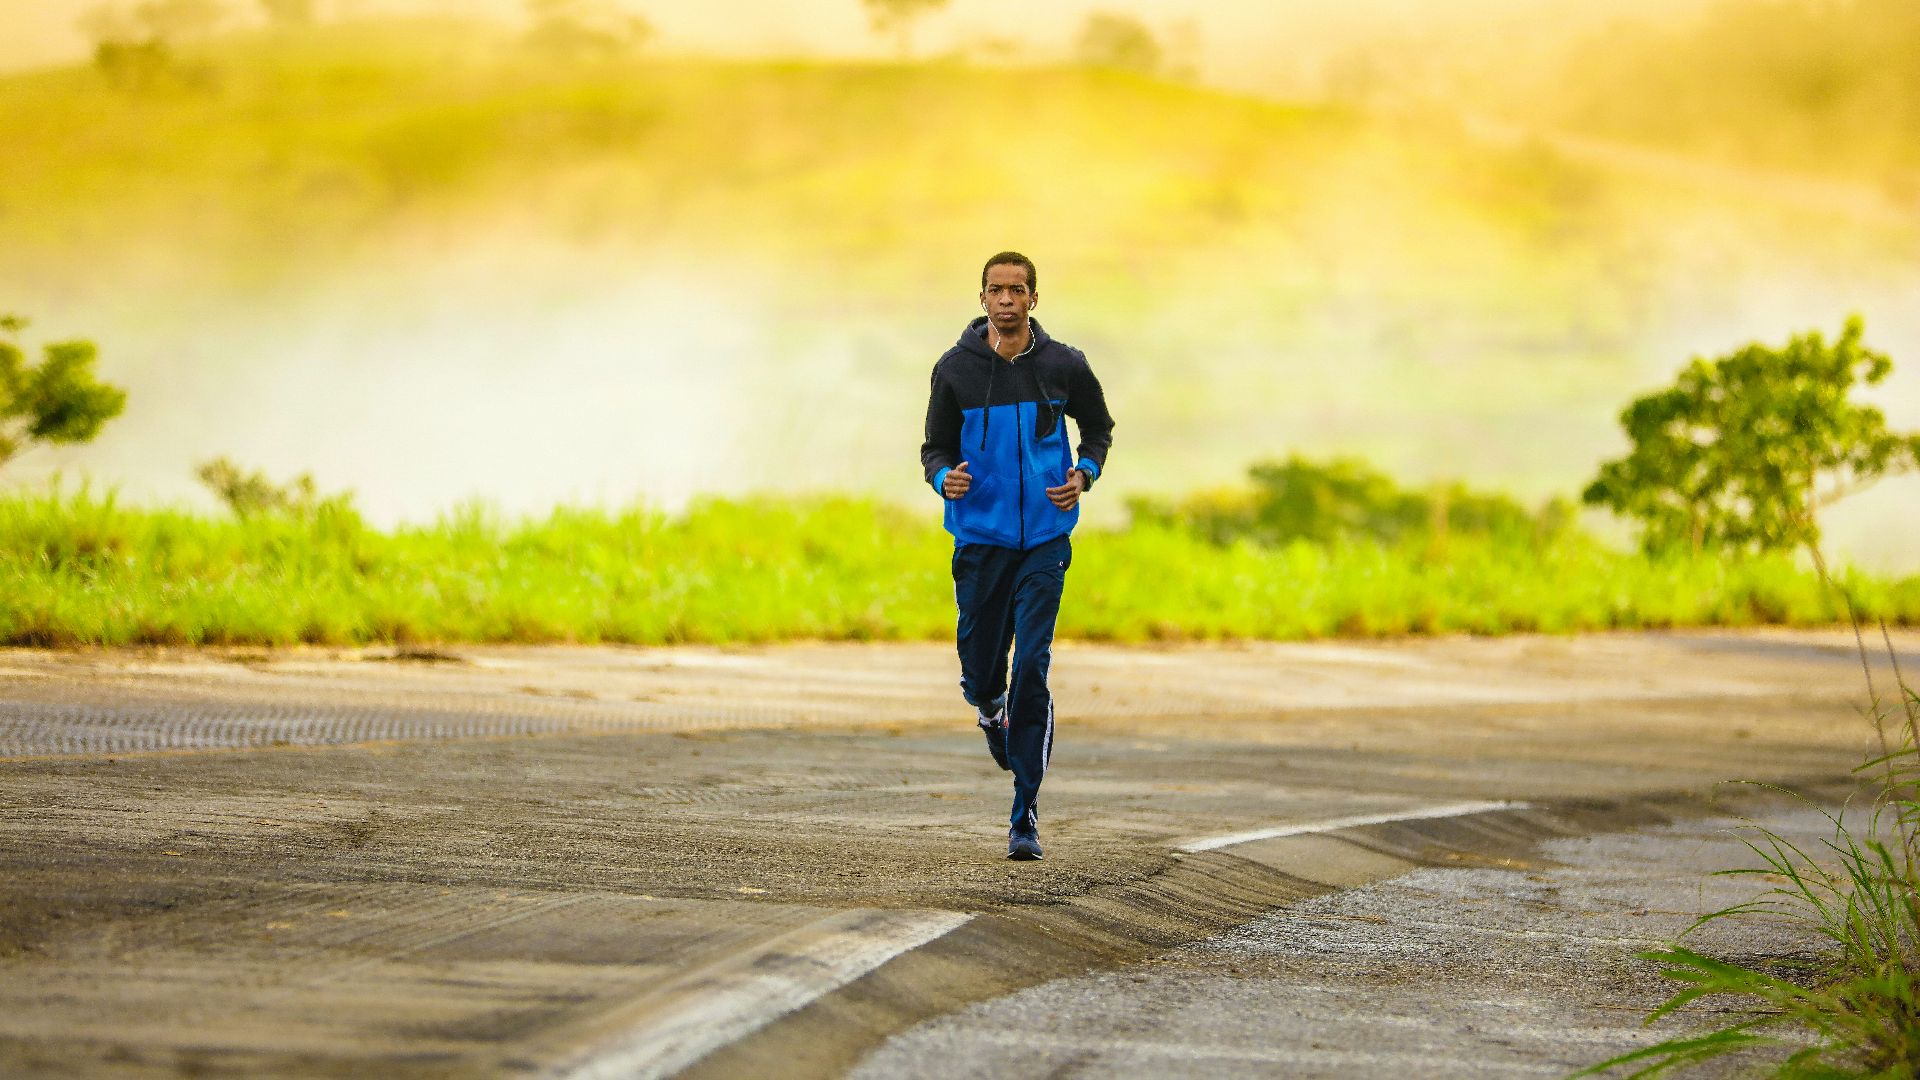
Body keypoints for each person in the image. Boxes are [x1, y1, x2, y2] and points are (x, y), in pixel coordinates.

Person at [919, 251, 1115, 861]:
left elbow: (1100, 430)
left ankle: (1024, 809)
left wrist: (1083, 474)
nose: (1006, 300)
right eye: (996, 291)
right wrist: (942, 477)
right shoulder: (954, 370)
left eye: (1017, 290)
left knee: (1033, 662)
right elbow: (933, 448)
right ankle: (989, 707)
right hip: (980, 539)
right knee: (982, 669)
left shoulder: (1064, 366)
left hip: (1045, 541)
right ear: (982, 299)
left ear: (1034, 298)